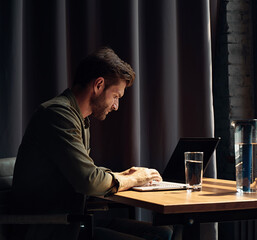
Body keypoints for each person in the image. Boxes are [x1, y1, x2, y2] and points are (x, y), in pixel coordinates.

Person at [11, 47, 172, 240]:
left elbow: (85, 172)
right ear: (98, 85)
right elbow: (88, 180)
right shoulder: (57, 115)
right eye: (116, 96)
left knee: (162, 233)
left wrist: (122, 175)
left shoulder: (79, 118)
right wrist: (135, 179)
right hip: (53, 227)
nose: (116, 106)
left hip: (73, 220)